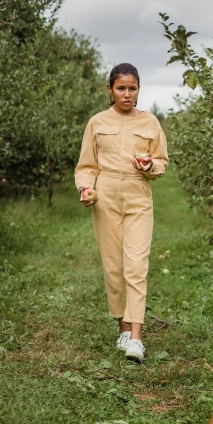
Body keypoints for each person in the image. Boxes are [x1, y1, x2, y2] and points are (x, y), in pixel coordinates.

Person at [75, 63, 168, 362]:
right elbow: (87, 166)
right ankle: (123, 328)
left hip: (138, 197)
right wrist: (86, 189)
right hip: (106, 199)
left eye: (132, 88)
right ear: (110, 90)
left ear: (139, 90)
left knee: (136, 266)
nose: (127, 94)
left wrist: (149, 166)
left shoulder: (151, 123)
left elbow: (161, 161)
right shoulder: (97, 122)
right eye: (121, 88)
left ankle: (137, 339)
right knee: (114, 268)